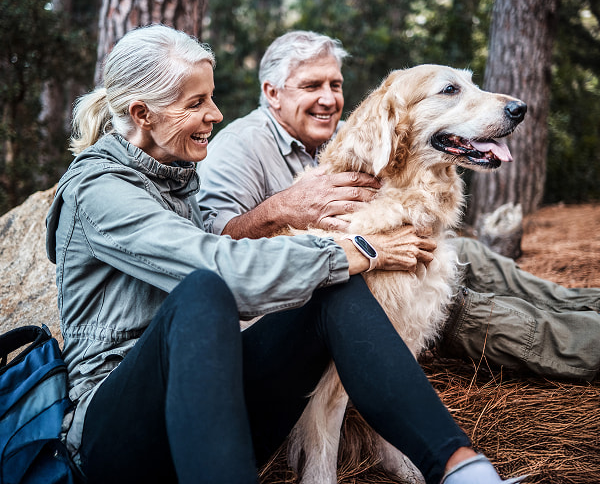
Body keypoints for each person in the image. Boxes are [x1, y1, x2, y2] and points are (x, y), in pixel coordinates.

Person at [44, 24, 524, 484]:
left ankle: (462, 469)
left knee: (334, 288)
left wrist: (339, 259)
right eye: (197, 103)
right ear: (144, 114)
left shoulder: (177, 177)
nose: (216, 114)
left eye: (211, 98)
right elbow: (219, 271)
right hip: (117, 438)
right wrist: (358, 248)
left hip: (209, 407)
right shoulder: (98, 189)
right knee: (203, 292)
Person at [198, 30, 600, 382]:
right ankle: (587, 346)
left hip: (396, 247)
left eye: (335, 85)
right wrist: (281, 208)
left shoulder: (352, 132)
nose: (328, 99)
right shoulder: (240, 146)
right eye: (311, 86)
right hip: (340, 283)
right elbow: (214, 243)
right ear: (273, 93)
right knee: (466, 308)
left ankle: (587, 304)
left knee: (478, 258)